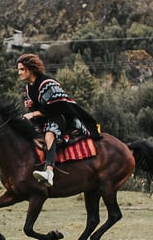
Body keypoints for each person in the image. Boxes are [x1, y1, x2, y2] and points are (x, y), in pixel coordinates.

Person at [16, 53, 100, 186]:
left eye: (22, 69)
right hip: (44, 118)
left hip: (61, 116)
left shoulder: (47, 83)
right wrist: (31, 106)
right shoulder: (28, 88)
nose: (19, 73)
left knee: (49, 135)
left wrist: (33, 113)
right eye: (18, 69)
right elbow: (40, 107)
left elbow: (57, 106)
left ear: (30, 69)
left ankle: (49, 172)